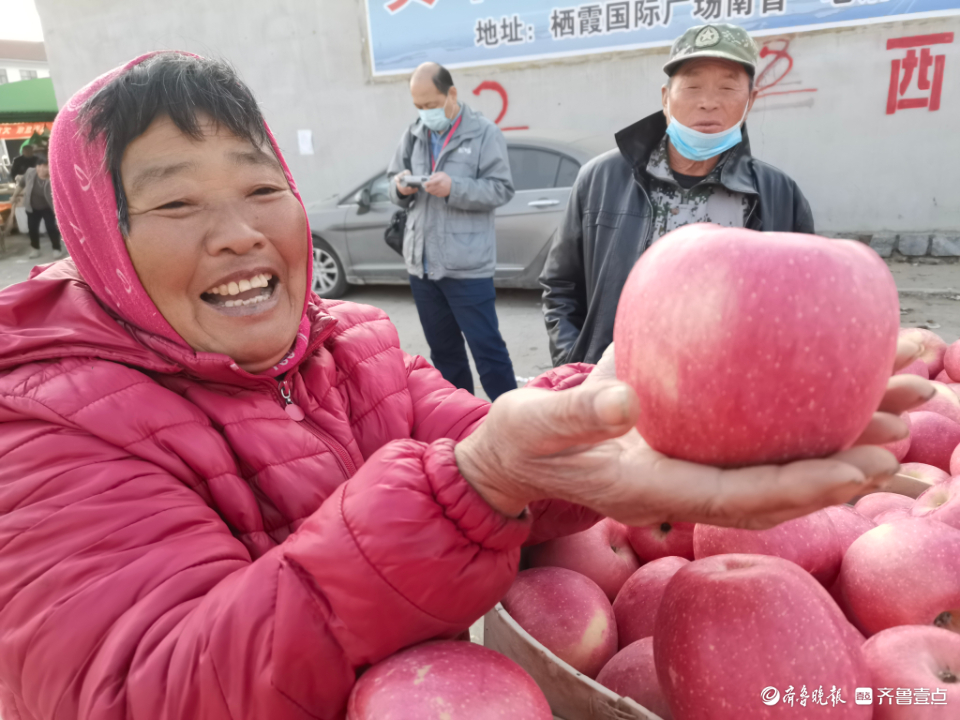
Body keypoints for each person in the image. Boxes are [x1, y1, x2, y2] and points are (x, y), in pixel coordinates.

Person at [0, 52, 924, 720]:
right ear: (96, 243)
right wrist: (477, 481)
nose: (240, 231)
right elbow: (145, 691)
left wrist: (625, 396)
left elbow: (491, 444)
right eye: (175, 202)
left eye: (259, 186)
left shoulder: (348, 347)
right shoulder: (41, 424)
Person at [541, 23, 815, 367]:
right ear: (665, 99)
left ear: (751, 100)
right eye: (692, 86)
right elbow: (561, 287)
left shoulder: (779, 194)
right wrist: (575, 365)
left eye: (728, 87)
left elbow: (803, 305)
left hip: (730, 389)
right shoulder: (600, 178)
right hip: (615, 388)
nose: (708, 102)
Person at [387, 62, 517, 401]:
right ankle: (462, 420)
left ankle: (512, 417)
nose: (425, 113)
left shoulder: (483, 133)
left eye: (430, 105)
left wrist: (454, 187)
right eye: (418, 106)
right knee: (444, 355)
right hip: (422, 267)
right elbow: (391, 183)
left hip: (467, 266)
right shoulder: (413, 134)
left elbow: (500, 189)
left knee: (488, 351)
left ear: (452, 94)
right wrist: (401, 189)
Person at [17, 153, 64, 259]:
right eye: (39, 166)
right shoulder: (30, 172)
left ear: (49, 167)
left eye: (45, 166)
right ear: (36, 166)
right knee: (32, 229)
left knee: (51, 228)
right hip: (32, 207)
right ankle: (35, 249)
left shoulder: (53, 177)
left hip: (47, 207)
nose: (42, 169)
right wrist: (15, 196)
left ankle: (56, 249)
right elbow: (21, 184)